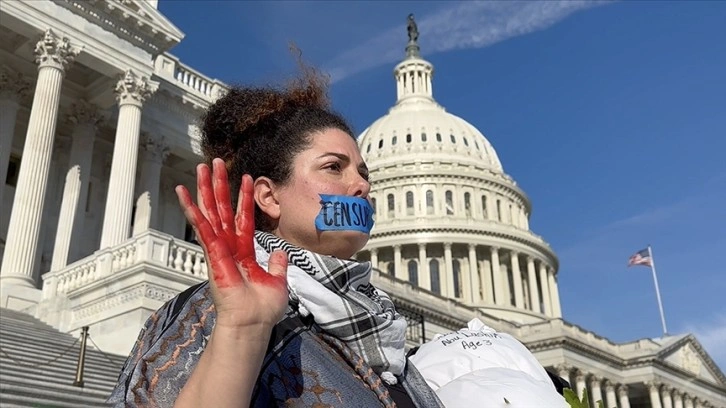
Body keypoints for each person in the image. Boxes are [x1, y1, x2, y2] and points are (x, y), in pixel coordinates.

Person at [108, 63, 443, 407]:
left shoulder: (387, 335)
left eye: (363, 172)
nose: (361, 185)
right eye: (333, 167)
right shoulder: (217, 312)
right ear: (269, 197)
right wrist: (242, 329)